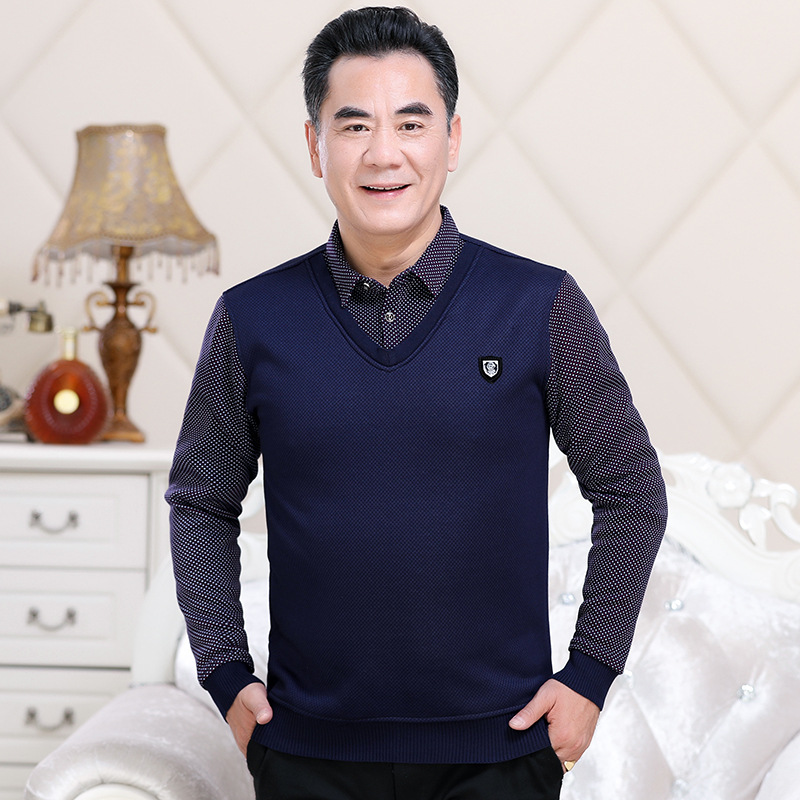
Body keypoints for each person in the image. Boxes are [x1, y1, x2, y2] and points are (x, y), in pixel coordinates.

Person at [166, 7, 668, 799]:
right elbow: (199, 500)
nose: (384, 153)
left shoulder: (539, 306)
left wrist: (590, 675)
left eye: (411, 122)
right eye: (354, 125)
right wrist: (225, 673)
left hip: (500, 755)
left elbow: (632, 489)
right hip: (307, 756)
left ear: (452, 140)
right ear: (315, 146)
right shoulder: (252, 319)